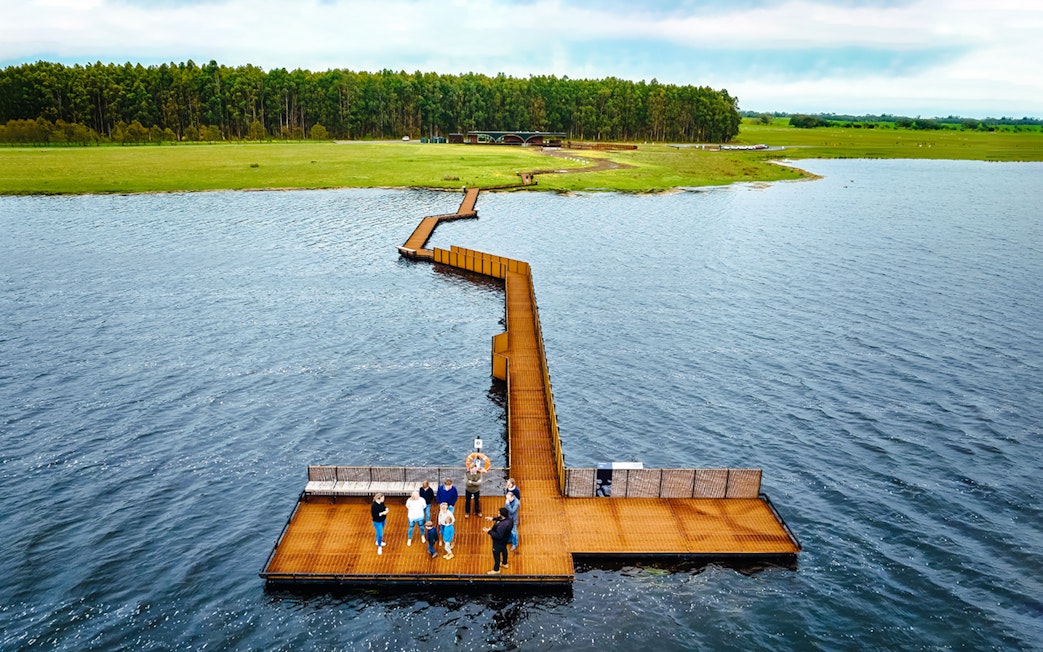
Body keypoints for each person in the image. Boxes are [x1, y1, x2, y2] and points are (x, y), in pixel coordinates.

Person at [483, 506, 514, 574]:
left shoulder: (502, 526)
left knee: (496, 555)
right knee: (504, 550)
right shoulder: (509, 520)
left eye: (498, 513)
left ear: (501, 515)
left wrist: (489, 531)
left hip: (498, 542)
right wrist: (492, 518)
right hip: (505, 539)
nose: (497, 513)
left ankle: (496, 569)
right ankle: (504, 563)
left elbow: (498, 535)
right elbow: (500, 519)